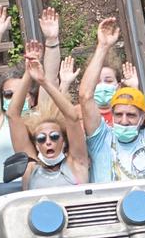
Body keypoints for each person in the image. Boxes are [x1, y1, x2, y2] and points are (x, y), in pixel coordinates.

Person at [78, 17, 145, 182]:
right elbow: (85, 96)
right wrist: (103, 47)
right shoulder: (102, 140)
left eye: (131, 115)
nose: (124, 120)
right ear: (112, 116)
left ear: (142, 118)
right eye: (119, 114)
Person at [0, 6, 62, 182]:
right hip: (5, 197)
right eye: (8, 95)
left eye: (20, 94)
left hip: (39, 191)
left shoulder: (41, 118)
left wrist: (52, 40)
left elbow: (51, 79)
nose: (14, 99)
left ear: (31, 99)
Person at [5, 41, 89, 189]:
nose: (48, 142)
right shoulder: (30, 168)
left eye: (54, 136)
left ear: (63, 141)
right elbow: (13, 115)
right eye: (42, 139)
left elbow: (72, 118)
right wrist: (28, 73)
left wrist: (44, 82)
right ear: (36, 145)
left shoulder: (76, 163)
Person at [94, 61, 140, 125]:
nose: (102, 85)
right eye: (96, 82)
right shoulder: (80, 114)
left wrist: (134, 88)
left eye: (108, 81)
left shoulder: (126, 113)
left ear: (118, 86)